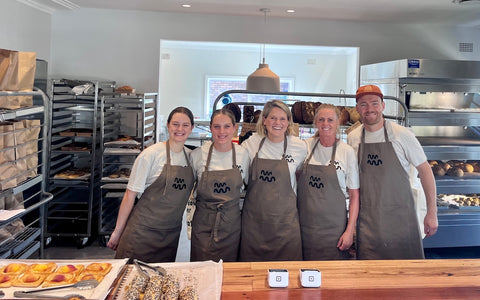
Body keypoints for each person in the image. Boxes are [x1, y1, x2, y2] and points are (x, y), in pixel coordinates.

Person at [347, 85, 438, 260]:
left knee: (406, 277)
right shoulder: (354, 137)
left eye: (374, 103)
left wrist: (432, 213)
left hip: (401, 219)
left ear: (383, 106)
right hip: (368, 222)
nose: (370, 109)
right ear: (357, 108)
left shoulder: (402, 135)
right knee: (370, 277)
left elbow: (426, 172)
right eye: (363, 104)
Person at [107, 107, 195, 262]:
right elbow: (130, 195)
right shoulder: (151, 155)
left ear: (192, 128)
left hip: (169, 236)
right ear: (168, 126)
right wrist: (117, 232)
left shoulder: (192, 158)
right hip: (142, 234)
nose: (180, 129)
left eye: (185, 125)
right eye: (175, 124)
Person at [239, 100, 307, 261]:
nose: (278, 123)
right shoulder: (251, 144)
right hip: (255, 224)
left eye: (283, 119)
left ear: (289, 121)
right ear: (264, 120)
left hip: (285, 224)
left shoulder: (300, 146)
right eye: (273, 118)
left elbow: (303, 176)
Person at [298, 103, 359, 260]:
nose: (326, 124)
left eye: (330, 120)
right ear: (316, 123)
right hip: (304, 227)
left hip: (335, 230)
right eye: (322, 120)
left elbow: (354, 195)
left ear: (338, 122)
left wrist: (349, 231)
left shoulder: (347, 152)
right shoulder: (305, 147)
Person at [189, 107, 250, 262]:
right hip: (203, 225)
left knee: (229, 274)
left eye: (227, 126)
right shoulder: (197, 155)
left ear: (234, 128)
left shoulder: (243, 155)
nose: (221, 131)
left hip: (232, 225)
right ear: (210, 128)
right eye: (216, 126)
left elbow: (249, 186)